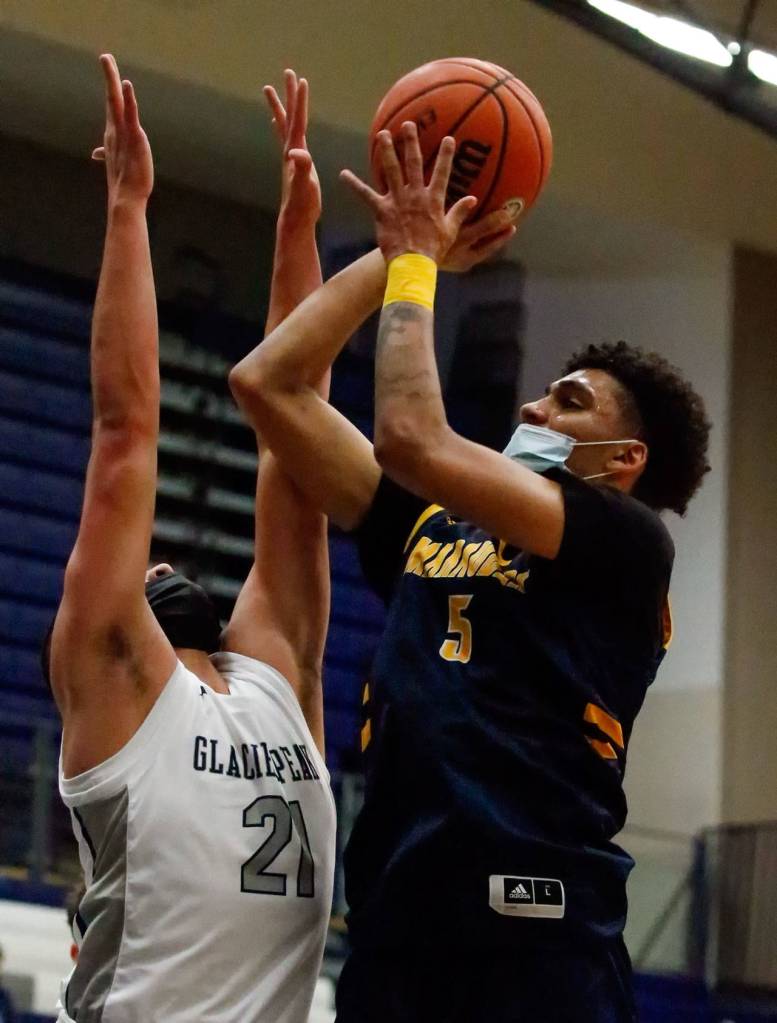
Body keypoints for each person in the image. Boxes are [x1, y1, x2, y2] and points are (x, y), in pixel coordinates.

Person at [234, 119, 711, 1022]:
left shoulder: (625, 545)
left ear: (623, 459)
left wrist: (417, 261)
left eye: (568, 402)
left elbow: (410, 436)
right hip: (396, 925)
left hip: (534, 935)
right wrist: (407, 258)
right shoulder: (427, 526)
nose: (533, 404)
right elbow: (269, 384)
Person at [46, 57, 335, 1022]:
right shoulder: (122, 681)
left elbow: (299, 443)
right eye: (149, 564)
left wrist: (298, 235)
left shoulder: (276, 674)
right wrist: (126, 212)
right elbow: (125, 434)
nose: (161, 560)